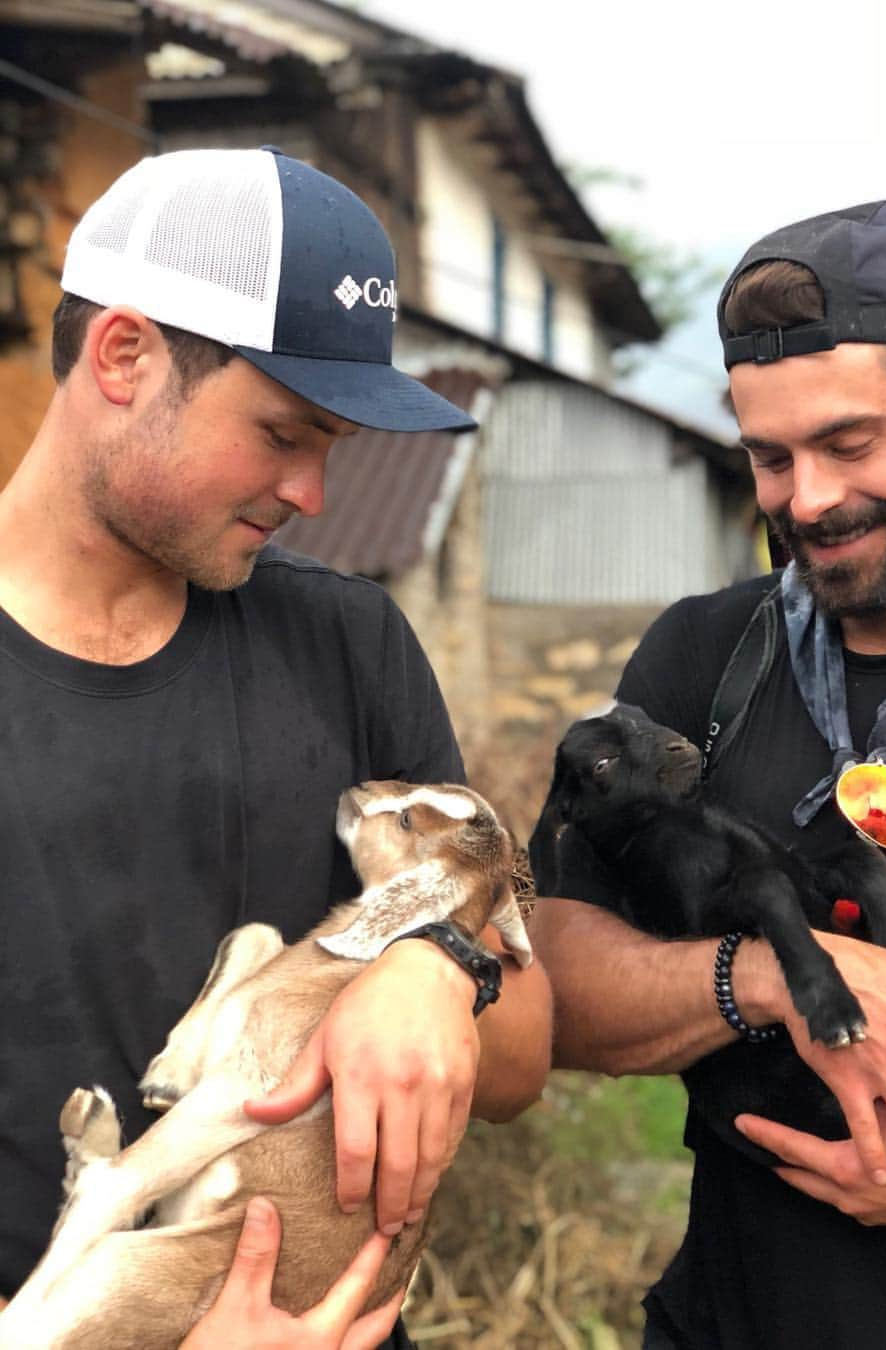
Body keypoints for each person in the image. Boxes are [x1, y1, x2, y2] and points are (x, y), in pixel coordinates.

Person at [0, 146, 551, 1348]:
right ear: (124, 357)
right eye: (281, 433)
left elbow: (518, 1064)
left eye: (334, 446)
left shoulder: (346, 641)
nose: (311, 492)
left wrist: (436, 965)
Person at [529, 201, 886, 1349]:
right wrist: (772, 974)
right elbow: (556, 983)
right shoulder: (702, 658)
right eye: (769, 457)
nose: (807, 499)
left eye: (849, 443)